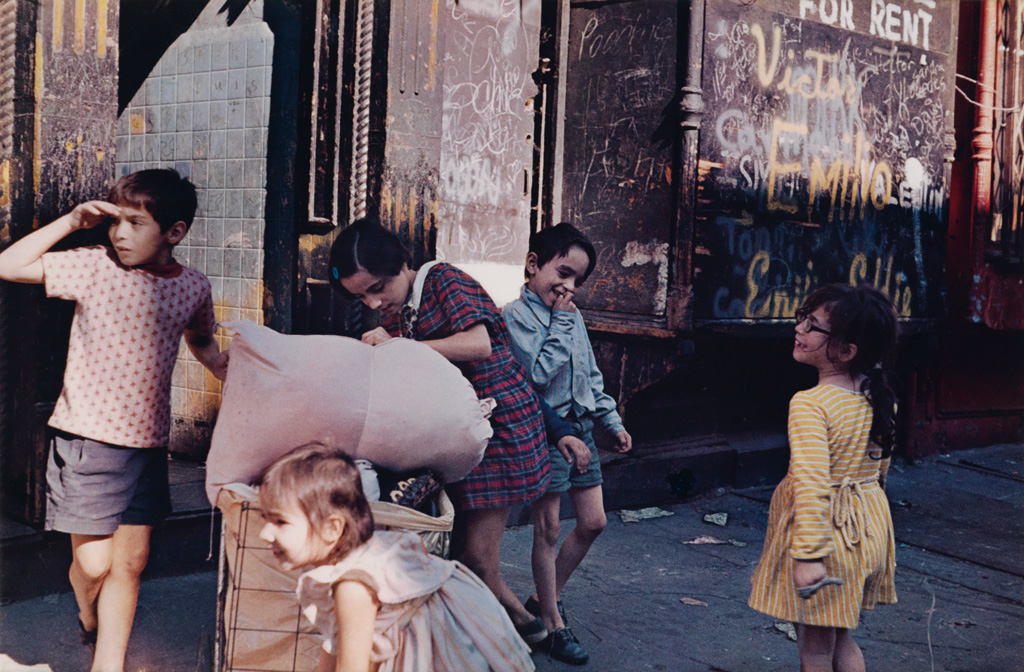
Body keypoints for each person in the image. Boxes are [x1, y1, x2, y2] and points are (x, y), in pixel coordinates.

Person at [0, 169, 228, 672]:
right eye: (115, 222)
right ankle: (86, 609)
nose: (119, 234)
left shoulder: (192, 287)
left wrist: (231, 372)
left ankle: (109, 664)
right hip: (88, 440)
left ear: (174, 232)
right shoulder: (93, 268)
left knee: (129, 565)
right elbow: (8, 265)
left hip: (146, 446)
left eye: (135, 223)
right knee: (94, 564)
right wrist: (71, 221)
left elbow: (202, 341)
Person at [329, 219, 552, 647]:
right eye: (361, 296)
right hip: (460, 435)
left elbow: (478, 344)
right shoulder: (398, 316)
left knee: (478, 560)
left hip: (499, 428)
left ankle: (525, 628)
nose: (374, 302)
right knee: (463, 552)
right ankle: (493, 632)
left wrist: (398, 347)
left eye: (378, 287)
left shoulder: (443, 279)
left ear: (403, 263)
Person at [256, 443, 536, 672]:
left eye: (280, 522)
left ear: (332, 528)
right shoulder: (359, 554)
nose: (265, 533)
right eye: (264, 519)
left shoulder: (353, 586)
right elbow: (336, 646)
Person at [748, 283, 899, 672]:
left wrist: (809, 556)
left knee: (815, 651)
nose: (799, 328)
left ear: (846, 351)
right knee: (840, 636)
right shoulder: (877, 396)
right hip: (866, 531)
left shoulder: (810, 405)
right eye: (803, 318)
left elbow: (812, 482)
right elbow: (879, 471)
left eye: (813, 326)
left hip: (828, 539)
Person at [502, 222, 632, 665]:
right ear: (533, 264)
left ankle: (544, 599)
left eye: (577, 279)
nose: (568, 286)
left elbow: (589, 376)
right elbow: (536, 376)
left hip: (583, 428)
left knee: (594, 522)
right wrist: (559, 320)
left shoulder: (573, 317)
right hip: (548, 432)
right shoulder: (513, 318)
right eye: (562, 272)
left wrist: (611, 422)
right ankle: (552, 626)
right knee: (549, 528)